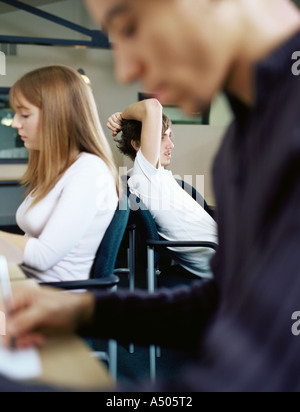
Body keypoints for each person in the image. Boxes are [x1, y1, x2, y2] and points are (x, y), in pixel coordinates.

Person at [2, 0, 300, 391]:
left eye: (128, 27)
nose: (126, 68)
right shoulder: (239, 146)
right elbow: (229, 300)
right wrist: (84, 309)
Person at [0, 65, 119, 282]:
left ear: (58, 117)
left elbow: (43, 255)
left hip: (54, 300)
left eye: (24, 114)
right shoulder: (60, 169)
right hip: (27, 282)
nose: (15, 123)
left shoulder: (90, 171)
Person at [107, 100, 218, 280]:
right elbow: (153, 106)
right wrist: (122, 116)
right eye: (161, 137)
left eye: (169, 136)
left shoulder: (156, 176)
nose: (171, 145)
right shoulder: (145, 177)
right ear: (137, 144)